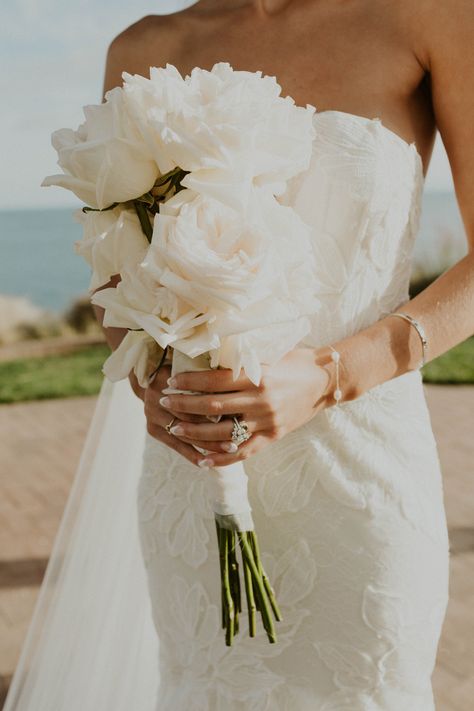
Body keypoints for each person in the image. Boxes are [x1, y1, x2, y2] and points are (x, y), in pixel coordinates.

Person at [5, 1, 474, 709]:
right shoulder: (143, 48)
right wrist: (150, 379)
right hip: (194, 492)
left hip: (360, 486)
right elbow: (112, 266)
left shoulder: (429, 16)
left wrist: (329, 375)